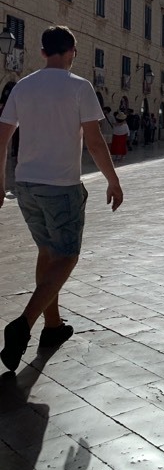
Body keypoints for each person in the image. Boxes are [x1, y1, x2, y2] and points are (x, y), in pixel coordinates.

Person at [0, 26, 123, 372]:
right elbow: (96, 142)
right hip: (61, 187)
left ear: (42, 53)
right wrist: (113, 181)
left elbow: (2, 137)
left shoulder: (22, 87)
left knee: (47, 252)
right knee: (67, 256)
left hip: (25, 186)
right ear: (71, 52)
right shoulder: (79, 87)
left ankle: (52, 327)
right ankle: (23, 324)